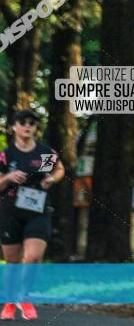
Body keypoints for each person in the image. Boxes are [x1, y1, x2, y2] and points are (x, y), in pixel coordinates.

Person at [0, 109, 65, 321]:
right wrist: (9, 177)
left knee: (34, 256)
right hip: (11, 210)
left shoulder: (44, 152)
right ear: (14, 127)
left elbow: (58, 169)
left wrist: (51, 180)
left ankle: (25, 297)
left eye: (32, 123)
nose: (28, 126)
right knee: (13, 262)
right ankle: (10, 302)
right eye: (23, 122)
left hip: (38, 209)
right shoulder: (7, 155)